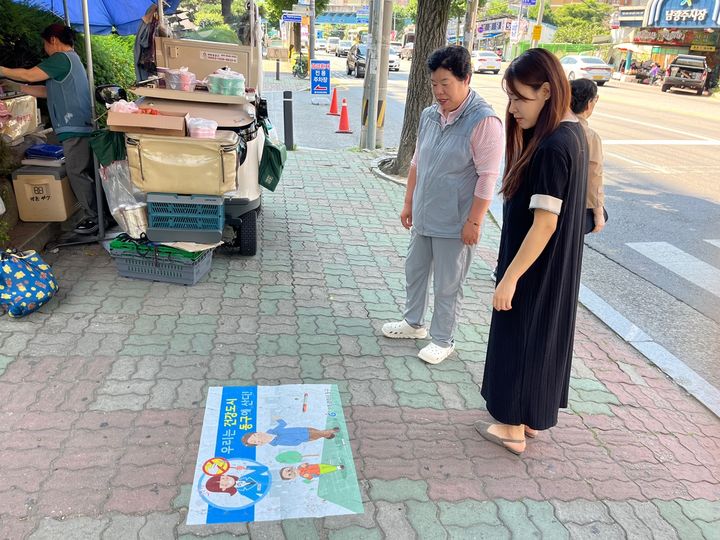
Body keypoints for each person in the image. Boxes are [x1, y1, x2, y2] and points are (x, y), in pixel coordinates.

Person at [477, 48, 588, 455]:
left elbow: (544, 224)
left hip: (533, 267)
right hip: (555, 268)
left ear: (546, 91)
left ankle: (511, 427)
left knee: (518, 337)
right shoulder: (571, 133)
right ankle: (529, 418)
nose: (512, 108)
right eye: (509, 97)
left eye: (520, 98)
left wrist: (509, 277)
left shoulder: (551, 148)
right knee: (541, 340)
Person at [381, 46, 504, 365]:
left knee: (449, 283)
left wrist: (475, 222)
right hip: (424, 213)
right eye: (434, 83)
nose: (438, 91)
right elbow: (417, 161)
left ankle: (443, 339)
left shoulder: (484, 121)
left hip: (456, 221)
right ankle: (413, 324)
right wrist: (408, 203)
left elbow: (487, 177)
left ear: (466, 78)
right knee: (415, 271)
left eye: (445, 83)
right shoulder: (429, 115)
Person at [0, 24, 99, 234]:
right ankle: (97, 215)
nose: (44, 49)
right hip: (79, 124)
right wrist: (16, 87)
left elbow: (29, 75)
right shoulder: (72, 60)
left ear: (53, 40)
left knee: (76, 171)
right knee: (82, 171)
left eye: (45, 44)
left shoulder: (61, 59)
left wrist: (2, 71)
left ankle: (95, 219)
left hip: (74, 125)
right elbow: (47, 91)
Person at [570, 79, 605, 233]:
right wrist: (598, 213)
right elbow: (594, 175)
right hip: (573, 208)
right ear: (589, 104)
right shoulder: (590, 136)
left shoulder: (551, 125)